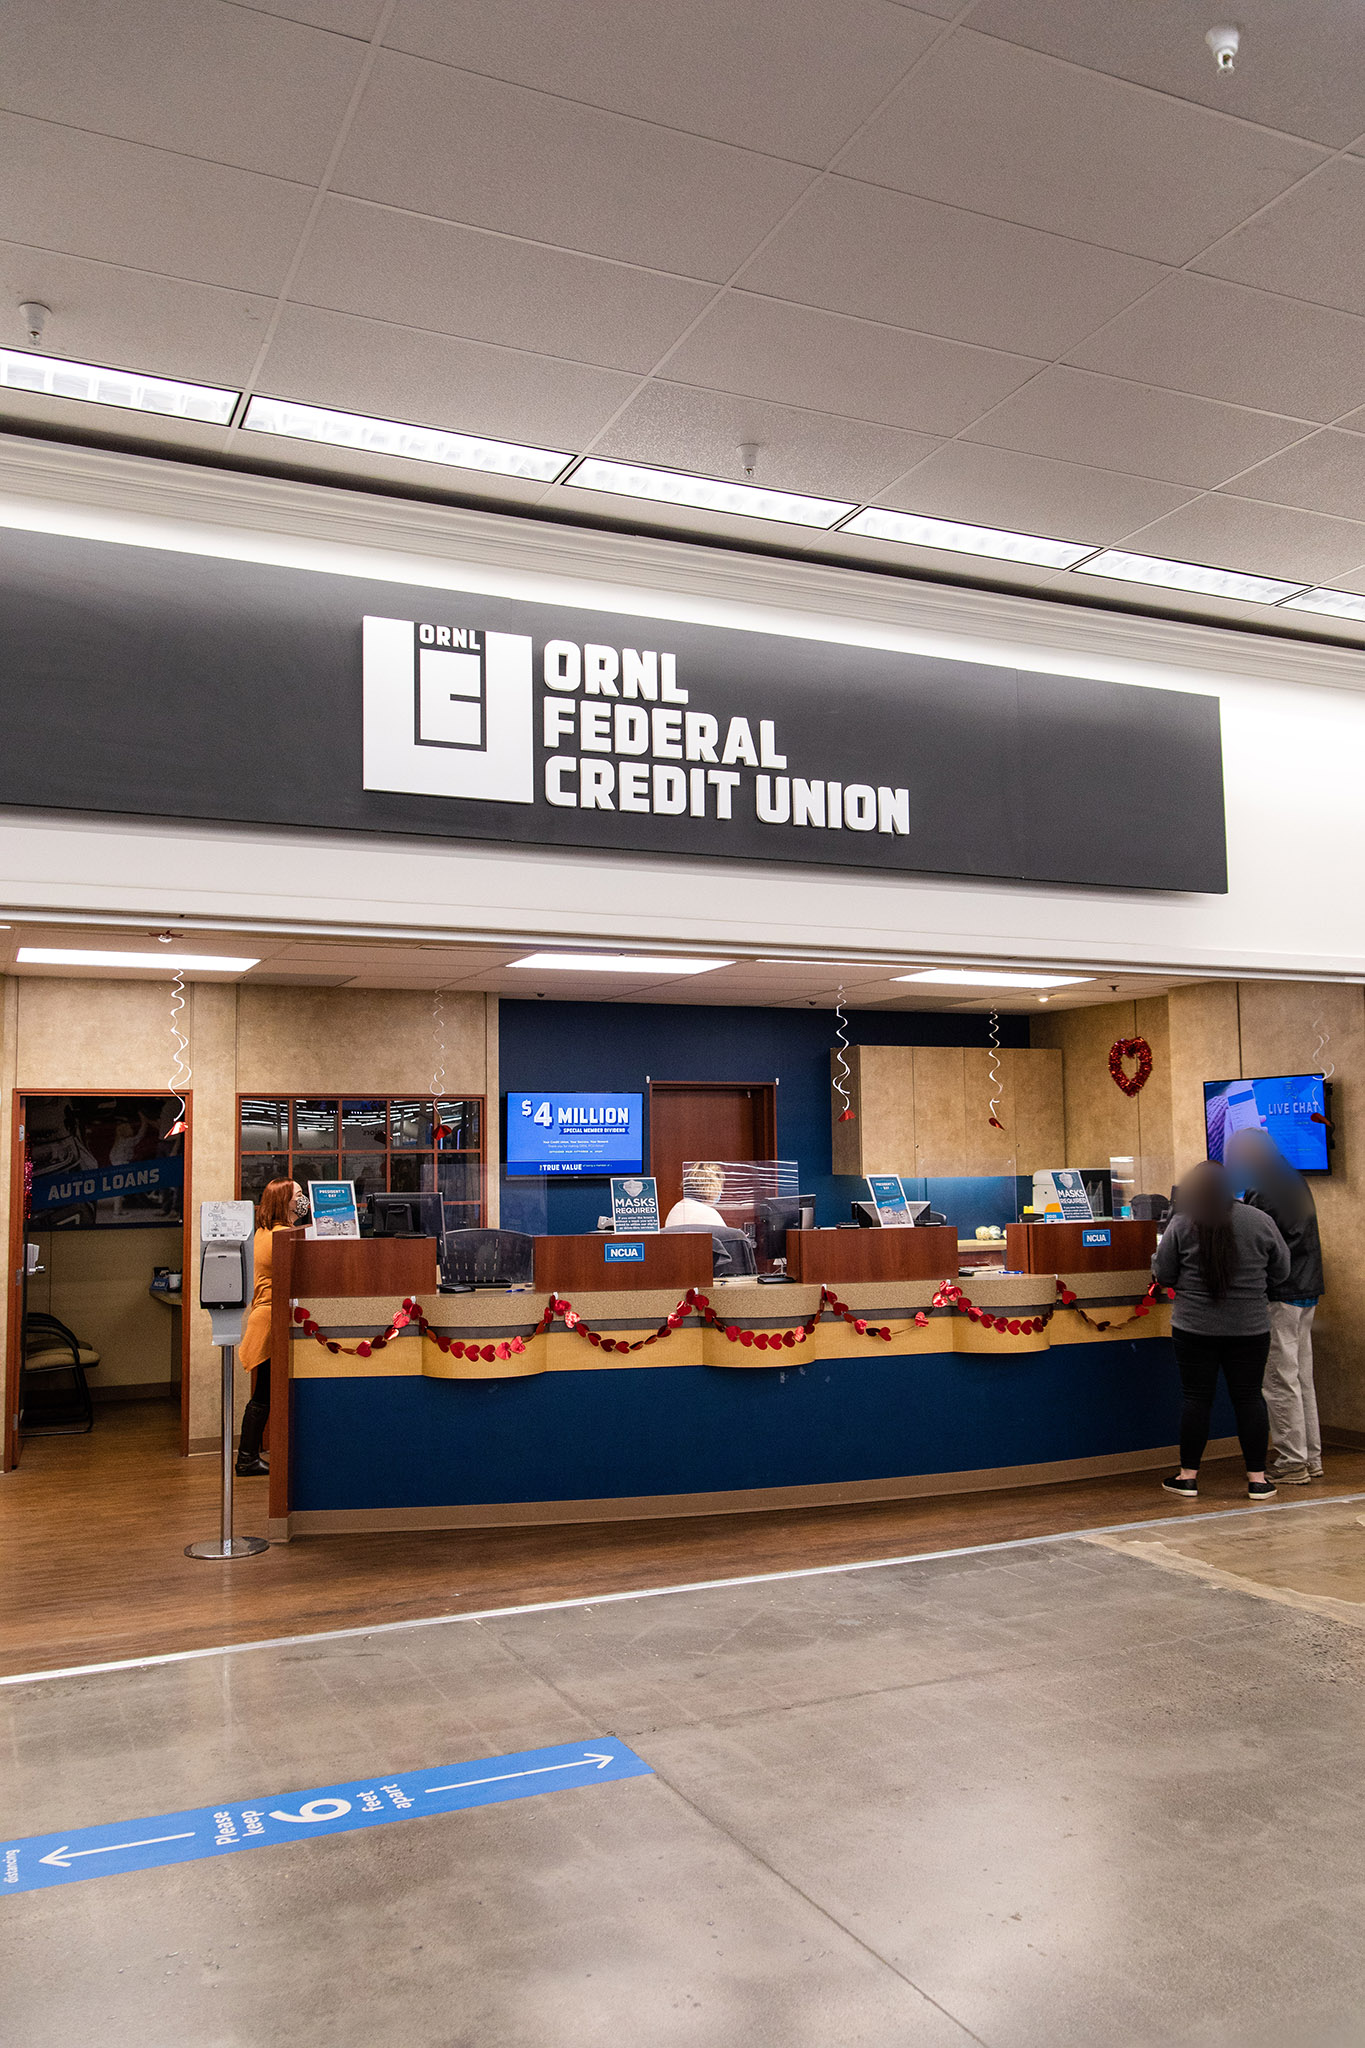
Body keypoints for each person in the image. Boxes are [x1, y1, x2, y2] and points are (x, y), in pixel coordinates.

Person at [1153, 1161, 1289, 1501]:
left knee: (1196, 1399)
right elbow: (1283, 1270)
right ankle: (1258, 1480)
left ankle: (1188, 1477)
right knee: (1249, 1398)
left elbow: (1164, 1274)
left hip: (1193, 1327)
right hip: (1250, 1327)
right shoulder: (1260, 1221)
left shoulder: (1182, 1223)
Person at [1228, 1128, 1325, 1485]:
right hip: (1306, 1288)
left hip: (1281, 1292)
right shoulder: (1291, 1177)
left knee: (1279, 1380)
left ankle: (1291, 1462)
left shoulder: (1263, 1187)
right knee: (1301, 1377)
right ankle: (1310, 1458)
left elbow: (1253, 1240)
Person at [235, 1177, 308, 1478]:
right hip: (271, 1319)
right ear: (284, 1202)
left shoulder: (265, 1232)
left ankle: (248, 1456)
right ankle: (247, 1457)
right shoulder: (281, 1236)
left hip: (265, 1316)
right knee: (265, 1393)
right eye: (299, 1195)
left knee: (264, 1392)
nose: (303, 1200)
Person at [664, 1161, 727, 1229]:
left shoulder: (678, 1207)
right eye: (720, 1186)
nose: (721, 1192)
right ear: (713, 1187)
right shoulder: (708, 1213)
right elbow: (728, 1238)